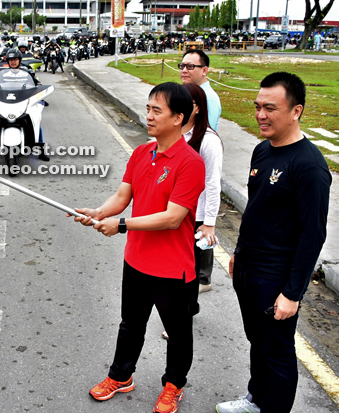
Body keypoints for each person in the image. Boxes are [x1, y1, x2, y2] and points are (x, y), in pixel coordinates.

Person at [74, 82, 205, 413]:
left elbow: (173, 218)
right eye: (147, 108)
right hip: (136, 261)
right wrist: (98, 212)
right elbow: (122, 197)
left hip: (173, 268)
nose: (148, 115)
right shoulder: (141, 153)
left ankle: (174, 385)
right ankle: (121, 376)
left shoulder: (190, 163)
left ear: (178, 118)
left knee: (178, 333)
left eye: (156, 110)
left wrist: (120, 226)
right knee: (130, 324)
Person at [216, 72, 331, 413]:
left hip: (275, 276)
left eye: (270, 108)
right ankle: (256, 399)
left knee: (277, 350)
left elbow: (314, 235)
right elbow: (256, 208)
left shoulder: (309, 166)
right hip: (249, 267)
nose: (260, 115)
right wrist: (238, 251)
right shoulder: (262, 150)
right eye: (257, 107)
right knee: (257, 341)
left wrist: (293, 293)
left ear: (296, 111)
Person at [182, 83, 223, 294]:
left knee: (189, 274)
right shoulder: (175, 135)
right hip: (176, 212)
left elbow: (213, 184)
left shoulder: (209, 141)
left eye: (188, 103)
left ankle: (180, 321)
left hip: (196, 216)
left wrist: (209, 223)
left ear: (198, 108)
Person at [5, 48, 50, 162]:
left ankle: (41, 149)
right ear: (8, 61)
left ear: (19, 60)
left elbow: (37, 84)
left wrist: (39, 90)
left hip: (24, 102)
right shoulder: (3, 74)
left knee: (36, 121)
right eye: (11, 60)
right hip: (6, 101)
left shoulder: (27, 73)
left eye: (15, 59)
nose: (13, 62)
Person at [178, 49, 221, 131]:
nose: (184, 71)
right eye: (182, 66)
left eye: (190, 67)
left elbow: (202, 134)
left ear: (204, 70)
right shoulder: (185, 93)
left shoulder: (208, 99)